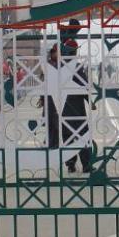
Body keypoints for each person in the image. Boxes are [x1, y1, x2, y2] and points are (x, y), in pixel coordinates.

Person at [45, 39, 93, 173]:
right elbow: (84, 86)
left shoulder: (56, 67)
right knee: (83, 136)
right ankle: (87, 165)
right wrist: (90, 102)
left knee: (68, 137)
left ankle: (70, 164)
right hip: (76, 108)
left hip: (61, 108)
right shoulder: (76, 66)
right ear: (75, 52)